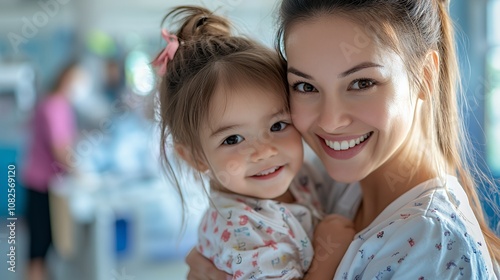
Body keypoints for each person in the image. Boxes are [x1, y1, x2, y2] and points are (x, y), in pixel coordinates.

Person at [186, 0, 500, 279]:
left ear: (426, 76)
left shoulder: (433, 245)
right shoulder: (327, 187)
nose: (330, 121)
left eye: (362, 83)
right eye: (306, 87)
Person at [154, 5, 356, 280]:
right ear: (195, 157)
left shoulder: (303, 178)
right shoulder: (240, 229)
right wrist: (328, 255)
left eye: (277, 125)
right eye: (233, 139)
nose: (264, 151)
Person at [21, 61, 81, 280]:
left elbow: (67, 142)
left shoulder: (62, 105)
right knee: (39, 246)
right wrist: (82, 174)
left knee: (50, 245)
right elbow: (59, 150)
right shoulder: (53, 105)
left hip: (52, 184)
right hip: (41, 184)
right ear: (67, 78)